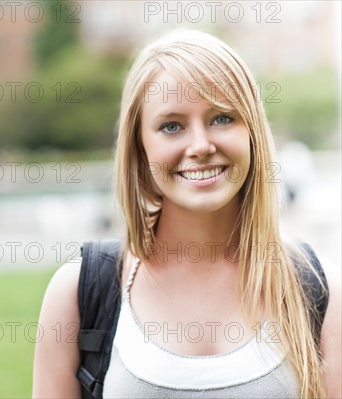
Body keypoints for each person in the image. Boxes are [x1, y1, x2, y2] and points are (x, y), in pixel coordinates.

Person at [32, 30, 340, 398]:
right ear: (140, 148)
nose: (200, 146)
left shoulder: (322, 288)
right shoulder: (77, 293)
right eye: (171, 126)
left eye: (222, 118)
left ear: (253, 132)